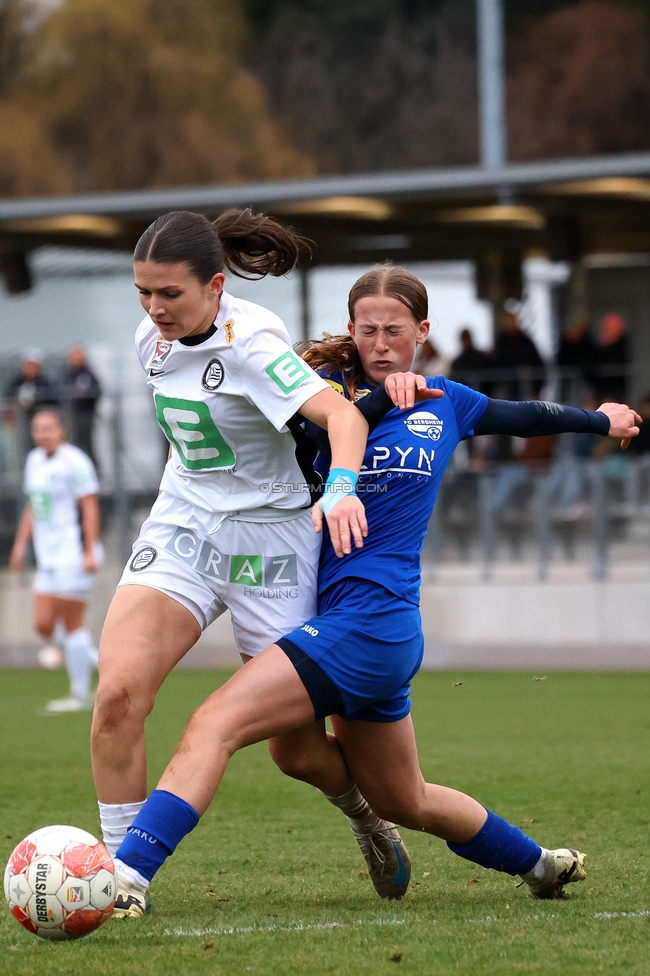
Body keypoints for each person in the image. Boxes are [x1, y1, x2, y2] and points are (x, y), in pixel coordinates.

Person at [109, 265, 641, 915]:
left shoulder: (448, 401)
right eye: (367, 330)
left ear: (421, 331)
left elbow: (527, 415)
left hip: (374, 622)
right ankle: (540, 863)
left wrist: (600, 419)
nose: (381, 343)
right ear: (353, 332)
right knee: (399, 797)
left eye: (395, 330)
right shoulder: (325, 398)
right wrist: (384, 399)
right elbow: (307, 424)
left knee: (212, 723)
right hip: (337, 618)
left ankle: (126, 877)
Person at [90, 209, 400, 915]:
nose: (154, 309)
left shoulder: (254, 342)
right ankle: (113, 877)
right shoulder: (152, 338)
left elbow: (345, 419)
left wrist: (344, 488)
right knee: (116, 698)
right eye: (143, 292)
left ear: (216, 285)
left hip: (272, 543)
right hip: (186, 527)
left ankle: (363, 815)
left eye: (169, 293)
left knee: (295, 752)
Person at [9, 409, 101, 712]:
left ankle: (79, 695)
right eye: (37, 429)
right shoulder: (34, 461)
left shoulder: (74, 460)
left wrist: (89, 551)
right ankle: (102, 664)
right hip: (47, 557)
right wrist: (21, 545)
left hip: (72, 554)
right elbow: (32, 507)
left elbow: (89, 506)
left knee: (71, 624)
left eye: (49, 428)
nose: (43, 434)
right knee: (44, 624)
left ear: (61, 430)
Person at [61, 346, 102, 463]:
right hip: (70, 416)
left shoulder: (88, 373)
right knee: (71, 442)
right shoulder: (67, 374)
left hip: (86, 415)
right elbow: (61, 391)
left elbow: (97, 391)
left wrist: (84, 397)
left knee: (87, 443)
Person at [492, 310, 544, 400]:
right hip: (507, 385)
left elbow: (536, 362)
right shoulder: (501, 342)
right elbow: (496, 362)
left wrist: (536, 389)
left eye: (513, 321)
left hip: (525, 385)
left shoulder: (526, 342)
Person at [450, 327, 492, 393]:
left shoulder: (482, 359)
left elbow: (490, 379)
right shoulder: (457, 362)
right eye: (464, 339)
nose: (466, 341)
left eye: (467, 338)